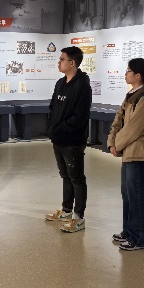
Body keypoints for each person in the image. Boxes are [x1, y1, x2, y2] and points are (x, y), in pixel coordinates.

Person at [107, 58, 144, 250]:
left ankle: (138, 237)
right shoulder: (131, 96)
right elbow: (118, 122)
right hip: (128, 154)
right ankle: (128, 231)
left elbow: (133, 129)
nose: (125, 74)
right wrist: (111, 143)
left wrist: (117, 145)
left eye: (128, 71)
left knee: (137, 196)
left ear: (138, 75)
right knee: (128, 195)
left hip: (138, 155)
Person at [45, 46, 92, 233]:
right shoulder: (60, 83)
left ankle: (78, 217)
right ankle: (66, 210)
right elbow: (52, 107)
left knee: (77, 178)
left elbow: (80, 116)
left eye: (62, 59)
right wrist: (52, 128)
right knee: (65, 176)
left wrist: (60, 128)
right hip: (58, 138)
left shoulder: (82, 86)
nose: (59, 62)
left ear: (72, 63)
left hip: (72, 140)